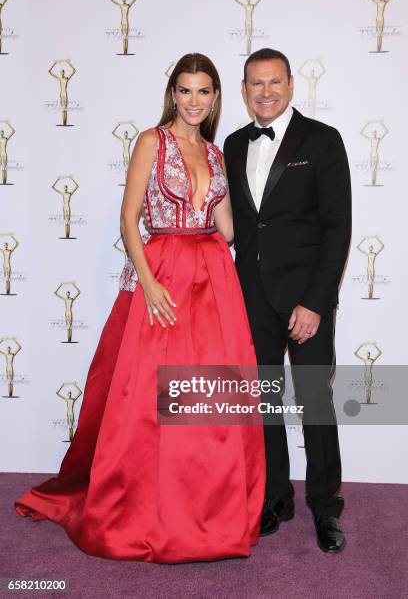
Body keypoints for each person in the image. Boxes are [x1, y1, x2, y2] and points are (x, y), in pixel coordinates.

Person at [14, 53, 266, 564]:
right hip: (165, 273)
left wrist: (244, 228)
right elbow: (130, 220)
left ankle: (207, 511)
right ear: (172, 93)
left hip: (212, 278)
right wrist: (149, 282)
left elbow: (229, 228)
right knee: (148, 402)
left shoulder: (216, 155)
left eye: (203, 92)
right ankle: (148, 511)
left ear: (216, 97)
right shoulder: (152, 141)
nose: (194, 101)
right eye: (185, 90)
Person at [223, 48, 351, 553]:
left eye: (275, 82)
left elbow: (338, 227)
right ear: (244, 89)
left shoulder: (322, 140)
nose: (266, 91)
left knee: (316, 404)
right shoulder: (232, 144)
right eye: (256, 83)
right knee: (265, 405)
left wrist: (317, 302)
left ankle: (325, 507)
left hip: (307, 300)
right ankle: (275, 498)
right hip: (251, 297)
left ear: (292, 85)